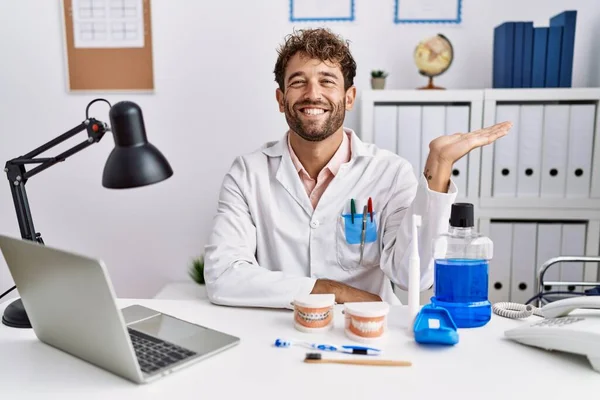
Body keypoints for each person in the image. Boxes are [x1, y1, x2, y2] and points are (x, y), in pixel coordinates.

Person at [203, 28, 511, 309]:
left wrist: (440, 167)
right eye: (298, 82)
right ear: (281, 100)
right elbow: (223, 277)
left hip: (369, 333)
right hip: (279, 334)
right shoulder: (248, 174)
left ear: (349, 97)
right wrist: (332, 291)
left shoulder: (389, 173)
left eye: (327, 81)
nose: (313, 94)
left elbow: (414, 278)